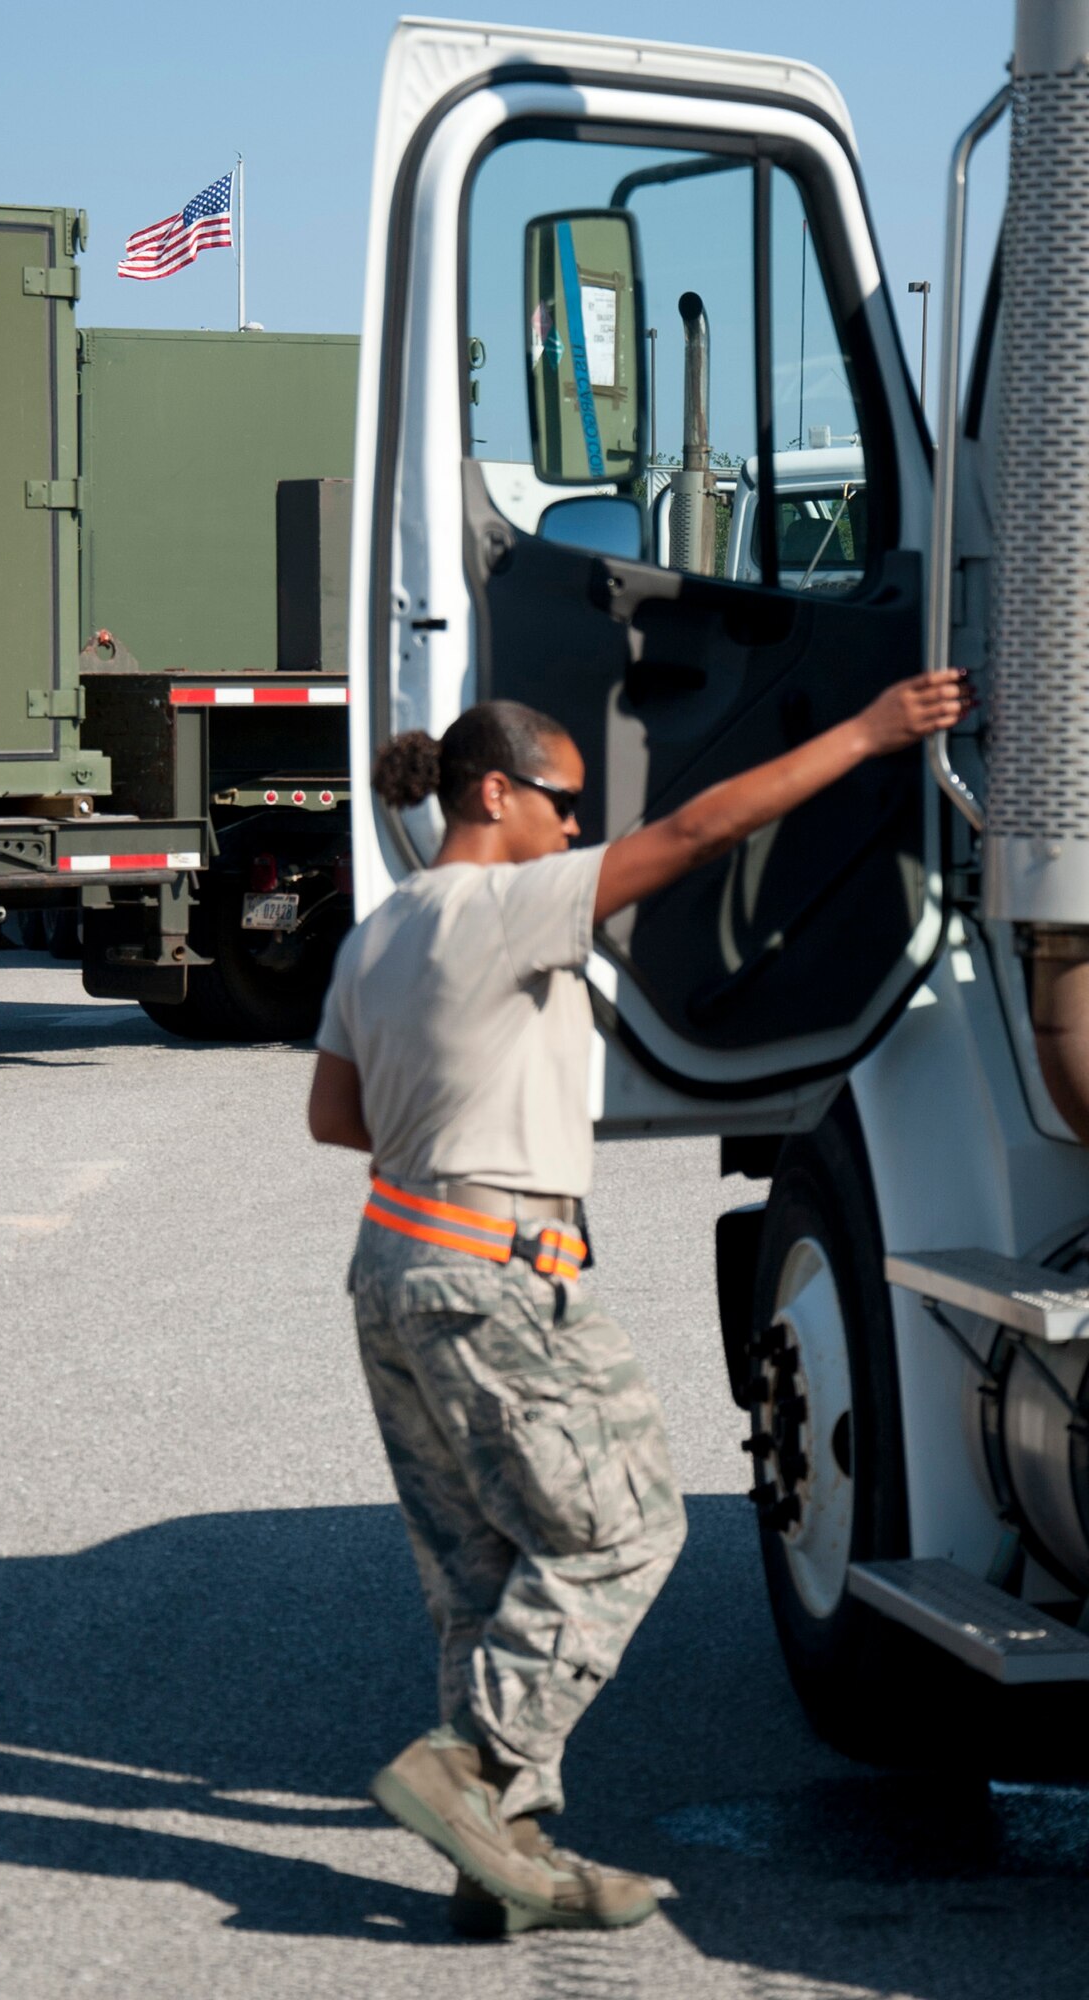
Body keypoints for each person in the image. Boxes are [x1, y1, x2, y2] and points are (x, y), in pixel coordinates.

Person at [307, 671, 970, 1937]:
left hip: (392, 1268)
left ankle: (497, 1859)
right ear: (491, 791)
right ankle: (468, 1770)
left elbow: (334, 1116)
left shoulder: (380, 929)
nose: (574, 828)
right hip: (495, 1274)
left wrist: (454, 1114)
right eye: (560, 803)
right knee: (625, 1531)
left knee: (479, 1572)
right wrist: (871, 733)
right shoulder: (503, 905)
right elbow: (696, 833)